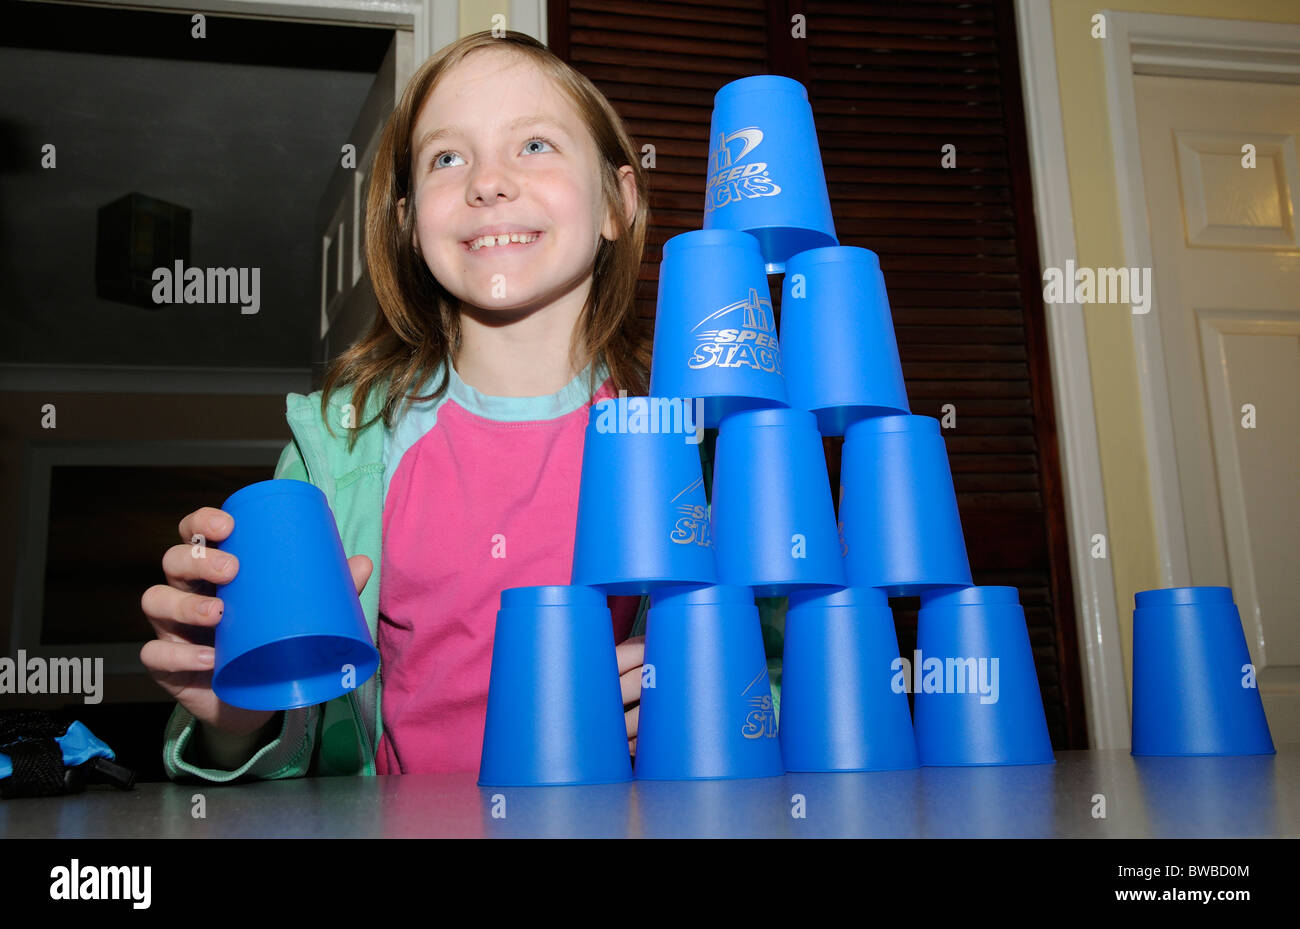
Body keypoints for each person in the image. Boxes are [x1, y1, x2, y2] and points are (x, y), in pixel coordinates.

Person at [139, 30, 661, 780]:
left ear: (619, 200)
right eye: (448, 157)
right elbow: (293, 751)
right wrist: (240, 720)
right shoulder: (337, 454)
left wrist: (694, 697)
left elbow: (787, 676)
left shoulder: (701, 445)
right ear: (413, 225)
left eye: (536, 144)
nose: (488, 181)